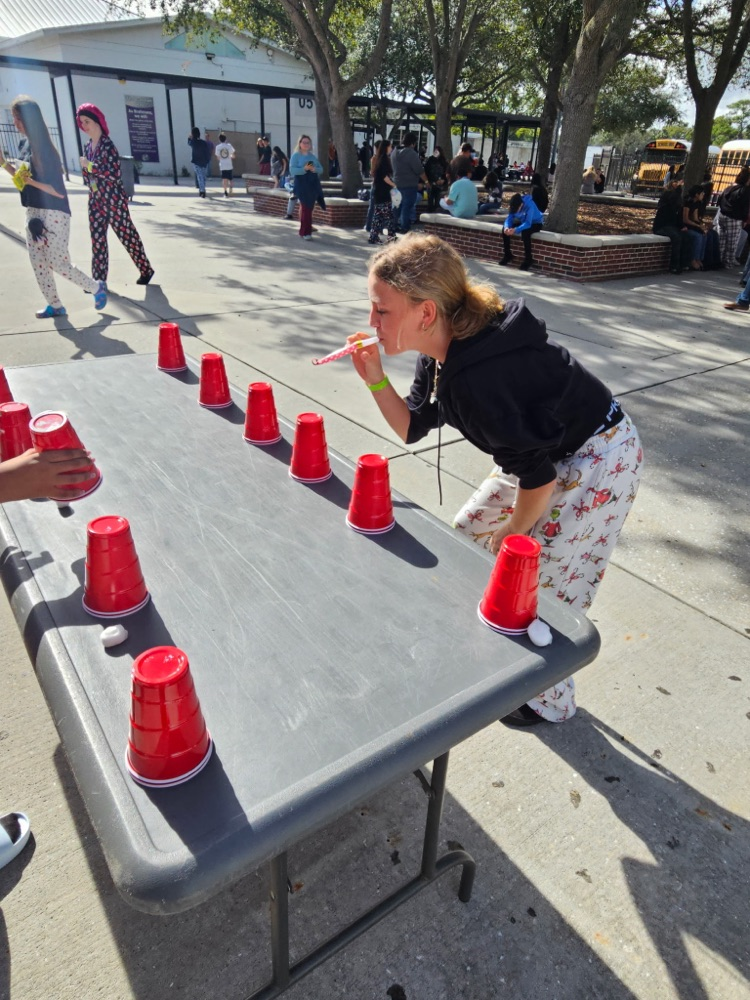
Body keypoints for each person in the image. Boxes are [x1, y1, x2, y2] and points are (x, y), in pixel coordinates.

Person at [347, 234, 642, 725]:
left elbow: (539, 479)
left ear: (425, 312)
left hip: (599, 455)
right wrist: (374, 376)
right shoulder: (439, 348)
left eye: (381, 310)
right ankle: (493, 637)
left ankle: (547, 700)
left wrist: (515, 529)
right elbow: (412, 426)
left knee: (544, 586)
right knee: (469, 539)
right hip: (539, 452)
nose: (371, 322)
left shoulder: (478, 382)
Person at [1, 96, 106, 318]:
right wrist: (3, 163)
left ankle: (96, 288)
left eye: (18, 118)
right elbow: (23, 179)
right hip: (33, 210)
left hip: (54, 212)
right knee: (38, 263)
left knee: (57, 262)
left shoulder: (45, 150)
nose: (15, 123)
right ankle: (55, 305)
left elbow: (57, 191)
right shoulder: (23, 145)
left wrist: (30, 182)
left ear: (29, 120)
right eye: (14, 118)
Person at [76, 103, 153, 288]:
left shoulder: (108, 146)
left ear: (97, 121)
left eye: (87, 121)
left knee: (128, 237)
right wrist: (87, 172)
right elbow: (88, 176)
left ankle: (146, 269)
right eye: (82, 122)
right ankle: (98, 281)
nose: (84, 126)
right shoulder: (88, 147)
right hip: (95, 200)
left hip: (113, 200)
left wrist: (89, 166)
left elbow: (112, 173)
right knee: (98, 241)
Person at [652, 179, 692, 274]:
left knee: (686, 237)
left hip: (671, 226)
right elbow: (672, 198)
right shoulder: (667, 198)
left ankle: (684, 263)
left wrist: (682, 226)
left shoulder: (677, 205)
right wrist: (678, 188)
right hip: (661, 226)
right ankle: (674, 266)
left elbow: (678, 217)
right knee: (676, 237)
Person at [712, 167, 750, 269]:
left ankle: (718, 259)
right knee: (732, 242)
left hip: (722, 215)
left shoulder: (729, 187)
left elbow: (720, 200)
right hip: (734, 218)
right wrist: (744, 219)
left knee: (721, 239)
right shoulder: (745, 190)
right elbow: (745, 206)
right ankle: (728, 262)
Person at [289, 134, 324, 240]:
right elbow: (292, 170)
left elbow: (321, 169)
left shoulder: (312, 157)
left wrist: (314, 169)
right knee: (305, 208)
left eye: (308, 142)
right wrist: (304, 169)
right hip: (301, 184)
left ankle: (304, 231)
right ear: (299, 143)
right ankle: (306, 232)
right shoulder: (296, 156)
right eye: (304, 142)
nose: (306, 144)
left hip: (312, 184)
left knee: (309, 208)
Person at [391, 132, 428, 234]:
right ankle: (404, 227)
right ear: (413, 143)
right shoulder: (412, 154)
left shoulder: (394, 152)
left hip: (396, 184)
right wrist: (426, 181)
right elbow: (419, 170)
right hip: (409, 185)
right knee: (406, 207)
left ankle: (392, 226)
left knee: (396, 207)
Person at [500, 191, 544, 271]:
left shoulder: (530, 205)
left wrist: (516, 230)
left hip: (535, 223)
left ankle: (528, 259)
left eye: (517, 209)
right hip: (524, 221)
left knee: (525, 232)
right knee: (504, 230)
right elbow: (509, 219)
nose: (516, 212)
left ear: (521, 205)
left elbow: (528, 223)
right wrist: (507, 227)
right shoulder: (514, 205)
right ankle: (508, 255)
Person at [368, 138, 397, 245]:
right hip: (383, 192)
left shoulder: (379, 159)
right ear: (386, 147)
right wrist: (394, 184)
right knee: (389, 216)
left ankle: (373, 237)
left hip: (378, 191)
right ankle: (391, 236)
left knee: (378, 215)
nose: (391, 148)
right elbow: (385, 177)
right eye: (390, 146)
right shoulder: (384, 159)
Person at [682, 184, 707, 270]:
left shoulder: (697, 203)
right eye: (702, 193)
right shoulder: (687, 202)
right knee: (697, 236)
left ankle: (699, 258)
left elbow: (695, 218)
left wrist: (702, 226)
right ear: (696, 194)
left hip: (692, 225)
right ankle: (693, 259)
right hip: (685, 226)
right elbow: (685, 219)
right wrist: (697, 225)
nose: (703, 195)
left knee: (704, 234)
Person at [188, 125, 211, 198]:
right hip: (204, 162)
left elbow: (189, 142)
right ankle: (202, 189)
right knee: (203, 177)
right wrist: (207, 160)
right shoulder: (203, 142)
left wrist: (189, 137)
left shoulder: (193, 142)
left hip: (196, 162)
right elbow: (207, 152)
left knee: (199, 176)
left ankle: (202, 191)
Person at [425, 146, 448, 212]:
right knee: (430, 201)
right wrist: (428, 181)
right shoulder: (430, 160)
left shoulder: (444, 161)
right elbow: (426, 171)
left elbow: (446, 172)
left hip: (440, 185)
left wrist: (443, 180)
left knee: (438, 201)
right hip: (431, 183)